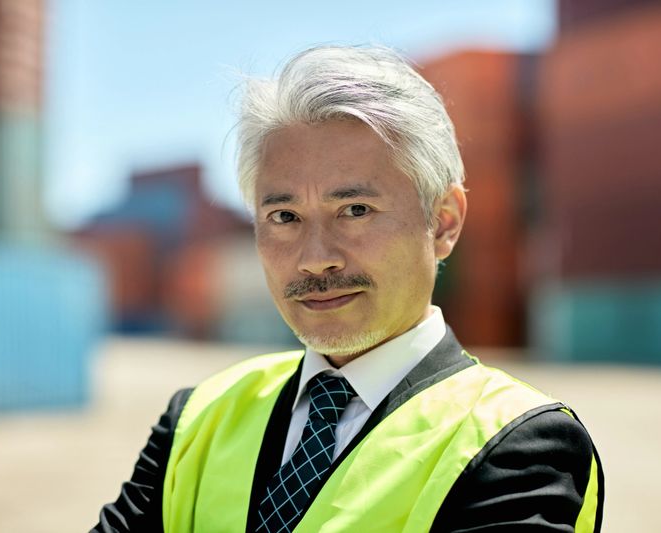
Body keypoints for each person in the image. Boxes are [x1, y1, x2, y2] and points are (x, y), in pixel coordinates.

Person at [92, 45, 604, 533]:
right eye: (284, 216)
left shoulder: (518, 445)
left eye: (355, 210)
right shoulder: (198, 416)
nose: (316, 259)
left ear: (443, 222)